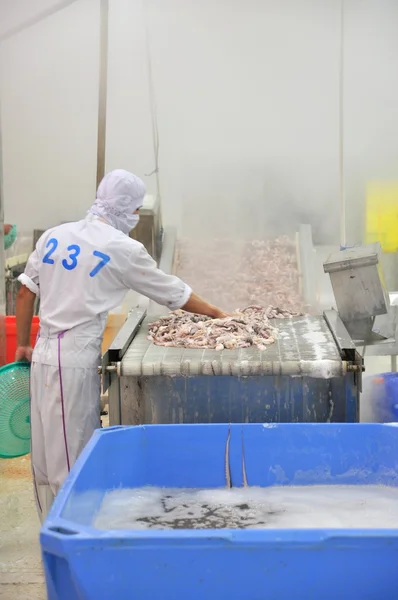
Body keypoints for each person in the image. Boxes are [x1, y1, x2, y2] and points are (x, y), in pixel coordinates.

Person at [15, 169, 227, 523]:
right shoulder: (122, 247)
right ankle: (74, 542)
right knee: (71, 461)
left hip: (42, 354)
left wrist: (22, 344)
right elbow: (173, 292)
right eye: (135, 210)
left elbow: (25, 291)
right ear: (126, 208)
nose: (134, 218)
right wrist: (218, 313)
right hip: (73, 361)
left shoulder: (56, 234)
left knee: (44, 460)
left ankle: (50, 536)